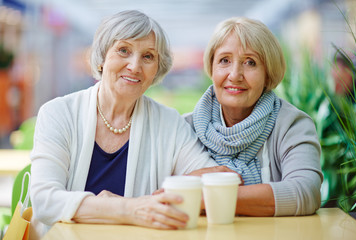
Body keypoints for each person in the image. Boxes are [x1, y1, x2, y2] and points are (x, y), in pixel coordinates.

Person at [30, 10, 230, 238]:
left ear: (156, 69)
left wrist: (157, 199)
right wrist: (131, 209)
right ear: (103, 57)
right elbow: (45, 200)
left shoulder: (170, 124)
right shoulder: (58, 113)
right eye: (123, 50)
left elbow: (212, 180)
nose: (135, 66)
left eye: (148, 57)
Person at [185, 17, 323, 217]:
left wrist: (207, 198)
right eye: (224, 60)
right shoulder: (185, 127)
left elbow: (305, 192)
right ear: (212, 67)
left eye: (250, 62)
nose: (235, 74)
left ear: (268, 73)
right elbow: (161, 191)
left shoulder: (293, 125)